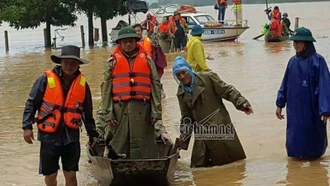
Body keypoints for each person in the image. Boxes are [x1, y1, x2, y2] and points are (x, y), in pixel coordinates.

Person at [21, 45, 99, 186]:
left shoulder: (83, 84)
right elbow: (31, 104)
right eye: (66, 62)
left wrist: (93, 134)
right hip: (49, 136)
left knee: (71, 173)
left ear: (78, 65)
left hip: (71, 136)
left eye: (73, 63)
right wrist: (27, 127)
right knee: (50, 174)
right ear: (60, 62)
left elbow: (87, 112)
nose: (69, 66)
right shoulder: (44, 80)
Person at [97, 26, 171, 158]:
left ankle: (148, 163)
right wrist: (108, 114)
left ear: (136, 41)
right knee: (119, 142)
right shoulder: (112, 63)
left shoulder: (148, 61)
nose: (128, 44)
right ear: (119, 43)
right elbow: (106, 91)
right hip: (119, 110)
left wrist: (156, 112)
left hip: (143, 110)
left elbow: (155, 87)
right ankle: (116, 163)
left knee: (145, 143)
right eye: (125, 41)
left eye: (131, 41)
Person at [173, 56, 253, 168]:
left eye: (183, 72)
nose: (182, 77)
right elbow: (187, 118)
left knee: (232, 167)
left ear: (189, 69)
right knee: (198, 169)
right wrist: (181, 144)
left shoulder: (208, 78)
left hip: (220, 127)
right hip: (202, 135)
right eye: (178, 74)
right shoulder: (181, 93)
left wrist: (242, 103)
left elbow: (227, 90)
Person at [276, 27, 330, 159]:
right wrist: (280, 103)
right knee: (295, 138)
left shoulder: (318, 61)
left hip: (312, 108)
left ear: (307, 43)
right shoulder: (292, 62)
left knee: (313, 140)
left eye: (299, 42)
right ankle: (296, 164)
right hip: (294, 109)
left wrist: (325, 109)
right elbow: (285, 84)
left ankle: (313, 169)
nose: (295, 44)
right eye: (294, 41)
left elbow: (325, 85)